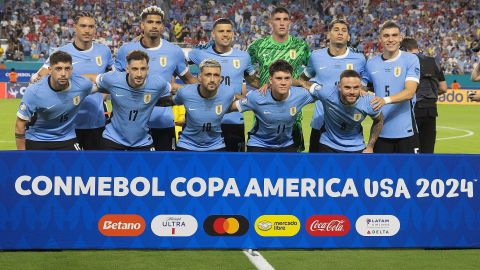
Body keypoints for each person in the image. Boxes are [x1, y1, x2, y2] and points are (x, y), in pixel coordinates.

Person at [114, 6, 197, 151]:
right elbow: (114, 81)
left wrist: (209, 94)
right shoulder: (126, 50)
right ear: (142, 25)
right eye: (150, 22)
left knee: (165, 167)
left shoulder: (174, 51)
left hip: (163, 120)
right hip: (132, 121)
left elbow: (189, 80)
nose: (154, 26)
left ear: (162, 26)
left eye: (158, 22)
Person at [32, 12, 113, 150]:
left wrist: (102, 96)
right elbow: (38, 78)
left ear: (95, 29)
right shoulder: (62, 52)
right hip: (66, 125)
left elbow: (113, 80)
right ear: (75, 27)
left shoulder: (104, 51)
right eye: (83, 26)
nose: (87, 30)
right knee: (69, 169)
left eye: (91, 26)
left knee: (94, 168)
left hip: (95, 123)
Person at [187, 18, 259, 152]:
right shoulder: (199, 53)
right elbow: (180, 69)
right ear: (213, 34)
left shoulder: (244, 57)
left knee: (235, 169)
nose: (225, 34)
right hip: (206, 120)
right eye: (221, 31)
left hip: (234, 121)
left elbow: (252, 80)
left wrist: (269, 87)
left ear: (233, 34)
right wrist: (196, 86)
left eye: (228, 31)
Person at [297, 18, 366, 152]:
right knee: (317, 170)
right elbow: (303, 78)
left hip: (349, 122)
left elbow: (365, 85)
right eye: (336, 30)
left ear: (348, 36)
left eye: (344, 30)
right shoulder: (316, 56)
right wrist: (311, 87)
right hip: (320, 122)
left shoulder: (359, 59)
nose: (340, 33)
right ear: (329, 34)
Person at [247, 6, 311, 152]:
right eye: (277, 19)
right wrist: (259, 85)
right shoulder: (258, 46)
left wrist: (300, 82)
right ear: (270, 22)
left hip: (292, 112)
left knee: (292, 164)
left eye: (285, 19)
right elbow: (244, 69)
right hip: (264, 110)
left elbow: (312, 69)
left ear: (290, 22)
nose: (281, 23)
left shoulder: (300, 46)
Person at [15, 51, 94, 150]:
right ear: (50, 70)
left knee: (77, 165)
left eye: (67, 69)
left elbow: (100, 84)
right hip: (38, 139)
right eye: (58, 69)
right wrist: (22, 155)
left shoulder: (82, 85)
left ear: (72, 70)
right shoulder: (34, 91)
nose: (63, 74)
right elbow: (19, 125)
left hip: (67, 138)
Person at [231, 60, 315, 152]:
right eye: (278, 78)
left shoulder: (300, 95)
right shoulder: (257, 97)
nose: (283, 83)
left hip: (286, 144)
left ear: (291, 80)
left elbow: (322, 91)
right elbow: (231, 107)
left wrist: (301, 83)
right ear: (271, 80)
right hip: (259, 144)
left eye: (287, 78)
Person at [363, 21, 420, 153]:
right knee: (382, 174)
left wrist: (384, 100)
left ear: (400, 38)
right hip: (380, 132)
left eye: (394, 35)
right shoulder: (371, 63)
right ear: (380, 39)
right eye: (386, 36)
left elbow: (410, 92)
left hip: (407, 131)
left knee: (410, 173)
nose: (390, 39)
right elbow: (362, 88)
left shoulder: (411, 59)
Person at [95, 50, 171, 151]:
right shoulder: (113, 79)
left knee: (152, 166)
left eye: (143, 69)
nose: (139, 74)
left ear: (148, 69)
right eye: (135, 69)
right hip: (112, 139)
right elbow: (92, 79)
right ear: (127, 69)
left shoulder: (157, 83)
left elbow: (174, 89)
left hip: (143, 142)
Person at [159, 59, 235, 151]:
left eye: (216, 75)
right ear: (199, 77)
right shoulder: (186, 92)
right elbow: (170, 101)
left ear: (220, 79)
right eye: (208, 75)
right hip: (187, 145)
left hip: (216, 145)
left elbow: (244, 102)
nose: (212, 79)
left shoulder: (228, 93)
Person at [401, 37, 447, 153]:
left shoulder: (406, 61)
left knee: (412, 149)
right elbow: (443, 88)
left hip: (413, 110)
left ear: (404, 49)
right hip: (431, 110)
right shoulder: (434, 61)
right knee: (428, 149)